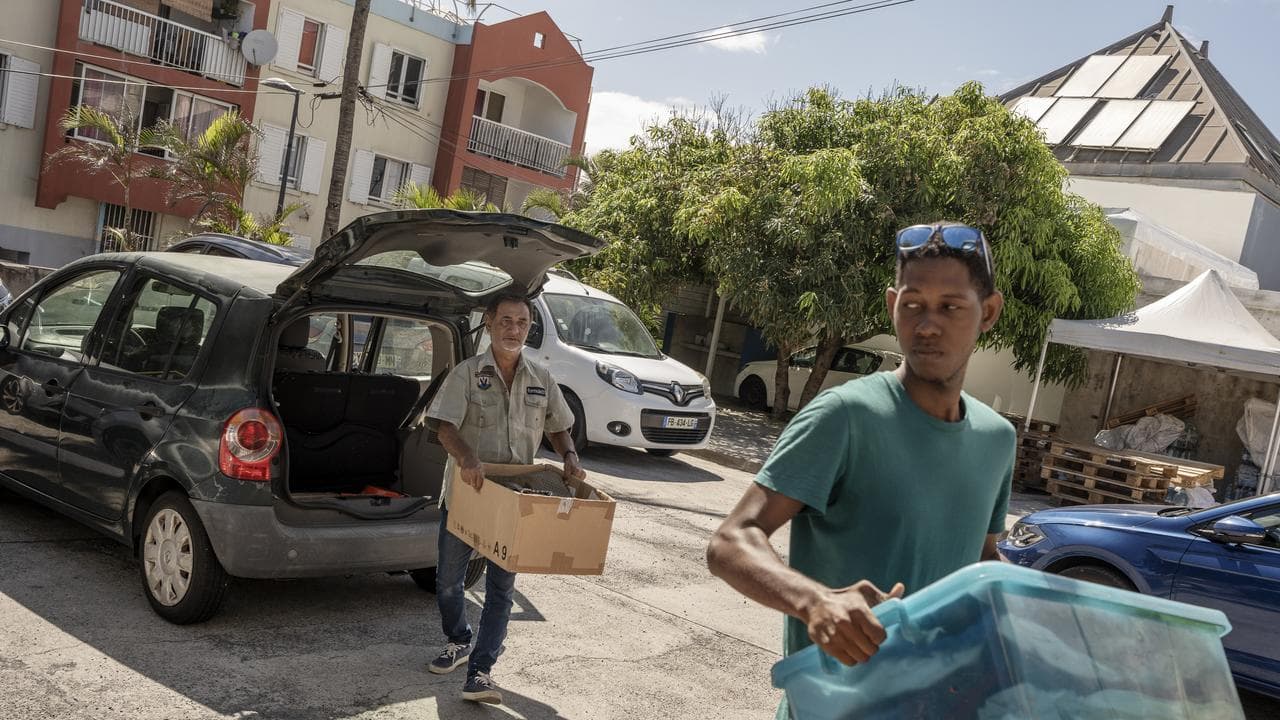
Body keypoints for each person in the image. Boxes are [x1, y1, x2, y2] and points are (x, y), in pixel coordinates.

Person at [706, 222, 1015, 718]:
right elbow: (731, 541)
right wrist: (815, 602)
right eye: (912, 304)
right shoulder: (845, 416)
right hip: (833, 709)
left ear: (989, 313)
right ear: (893, 303)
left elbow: (977, 557)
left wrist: (1034, 609)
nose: (927, 324)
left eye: (950, 307)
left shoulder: (997, 439)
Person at [424, 291, 585, 705]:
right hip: (468, 491)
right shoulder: (467, 372)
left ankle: (481, 671)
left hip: (515, 499)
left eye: (522, 323)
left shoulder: (541, 377)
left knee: (500, 589)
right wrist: (467, 456)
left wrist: (568, 454)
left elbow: (558, 424)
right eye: (506, 322)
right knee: (447, 582)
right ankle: (458, 639)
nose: (514, 330)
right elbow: (443, 427)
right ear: (490, 324)